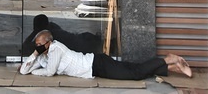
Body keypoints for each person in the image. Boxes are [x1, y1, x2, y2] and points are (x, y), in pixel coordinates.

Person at [20, 30, 192, 80]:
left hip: (97, 64)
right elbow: (23, 71)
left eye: (40, 44)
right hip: (96, 65)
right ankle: (170, 68)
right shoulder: (43, 54)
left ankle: (168, 58)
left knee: (135, 74)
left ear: (49, 42)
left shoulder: (56, 49)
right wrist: (35, 54)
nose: (38, 47)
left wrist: (35, 71)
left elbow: (50, 72)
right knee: (132, 68)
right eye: (37, 45)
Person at [22, 14, 102, 55]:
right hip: (79, 40)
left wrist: (35, 32)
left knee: (93, 42)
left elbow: (25, 48)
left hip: (79, 43)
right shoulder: (51, 28)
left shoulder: (47, 37)